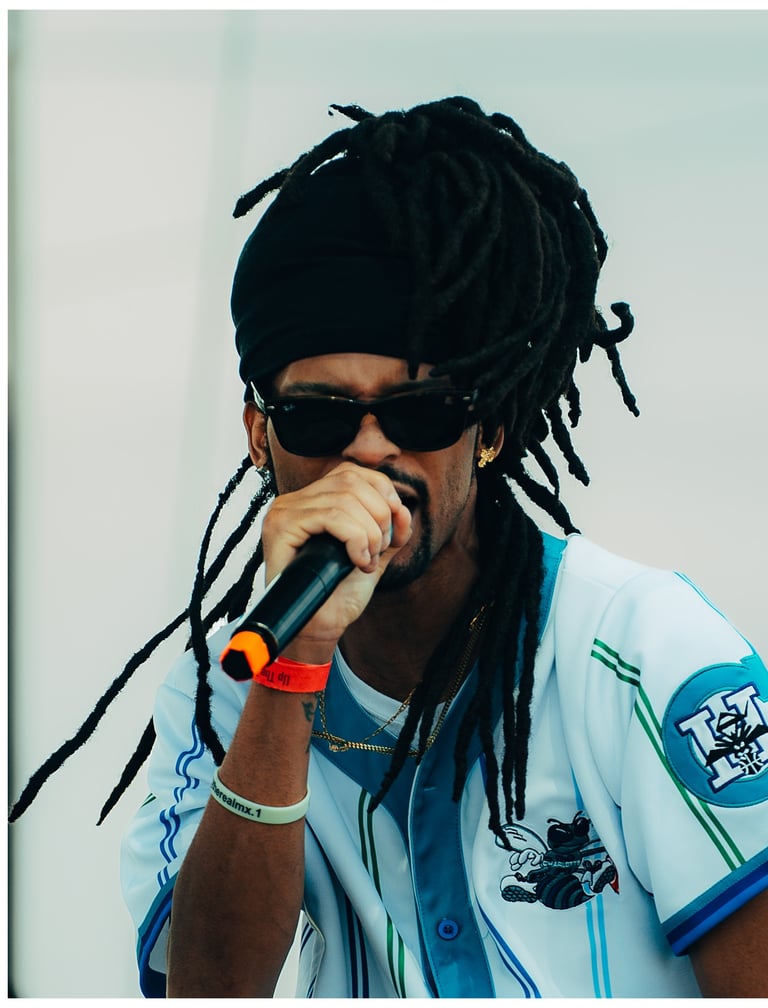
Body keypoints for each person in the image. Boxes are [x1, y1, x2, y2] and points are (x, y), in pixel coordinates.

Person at [58, 97, 768, 996]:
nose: (368, 451)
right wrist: (292, 670)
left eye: (421, 411)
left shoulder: (644, 650)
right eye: (318, 416)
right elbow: (204, 989)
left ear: (490, 430)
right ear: (258, 434)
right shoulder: (225, 688)